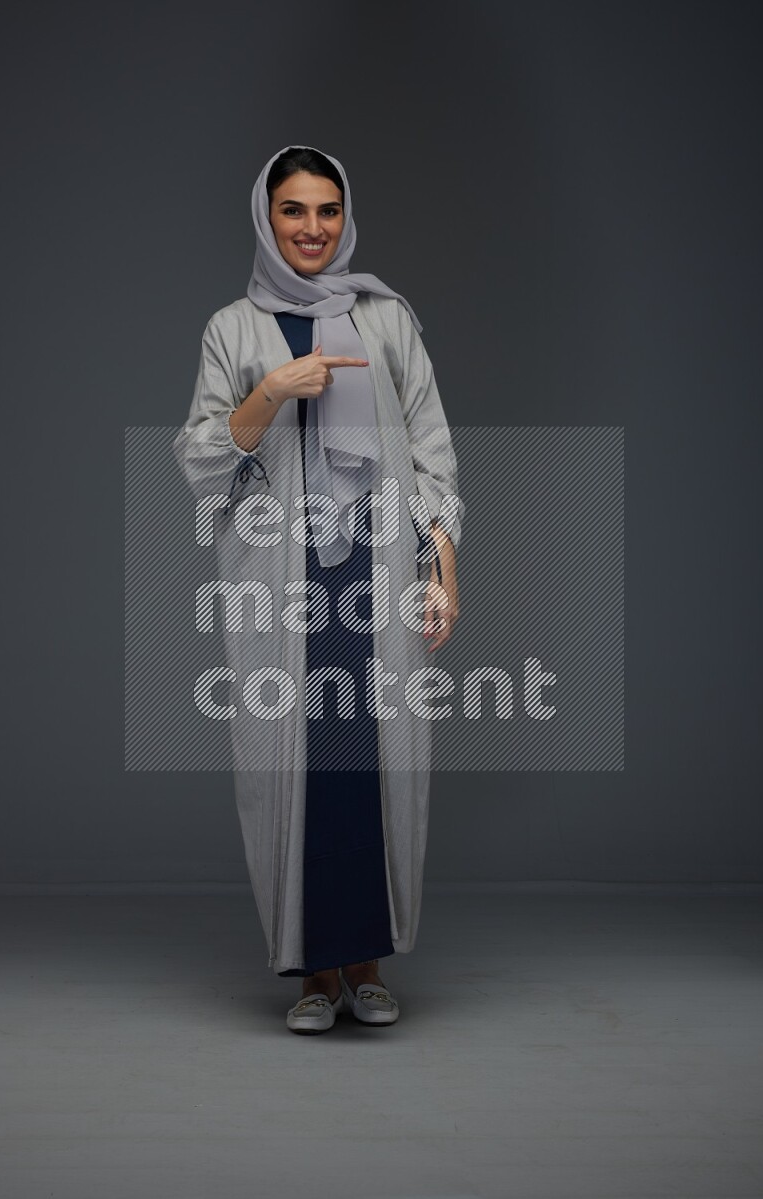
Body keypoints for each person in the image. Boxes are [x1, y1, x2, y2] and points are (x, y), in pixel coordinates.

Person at [173, 144, 464, 1033]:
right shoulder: (233, 329)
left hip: (378, 569)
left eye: (327, 210)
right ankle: (309, 974)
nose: (312, 228)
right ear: (266, 219)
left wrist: (442, 568)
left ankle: (367, 964)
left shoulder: (385, 319)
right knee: (289, 763)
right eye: (293, 210)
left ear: (346, 217)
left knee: (373, 765)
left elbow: (432, 448)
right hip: (281, 580)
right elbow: (200, 459)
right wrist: (271, 391)